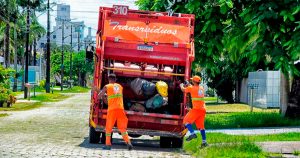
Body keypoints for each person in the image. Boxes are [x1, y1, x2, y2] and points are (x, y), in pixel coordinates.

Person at [98, 73, 133, 150]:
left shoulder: (107, 86)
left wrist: (100, 94)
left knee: (108, 128)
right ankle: (128, 142)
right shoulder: (120, 87)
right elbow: (115, 94)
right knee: (122, 128)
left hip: (112, 110)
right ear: (115, 79)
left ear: (108, 79)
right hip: (120, 109)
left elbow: (99, 96)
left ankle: (108, 145)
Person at [180, 75, 208, 148]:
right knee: (201, 127)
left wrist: (181, 85)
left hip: (196, 109)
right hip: (203, 109)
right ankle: (204, 142)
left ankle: (192, 133)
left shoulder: (191, 88)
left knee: (186, 121)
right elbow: (194, 90)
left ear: (193, 81)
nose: (191, 81)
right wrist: (189, 85)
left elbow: (183, 90)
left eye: (192, 80)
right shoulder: (201, 88)